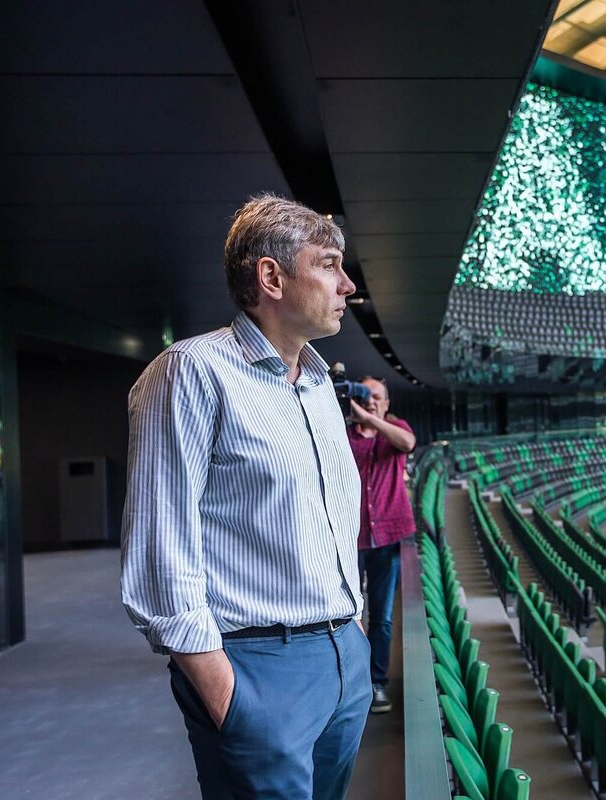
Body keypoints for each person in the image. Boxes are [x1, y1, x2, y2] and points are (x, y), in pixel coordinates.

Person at [120, 194, 370, 799]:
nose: (348, 285)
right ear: (271, 277)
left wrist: (354, 631)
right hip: (255, 667)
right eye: (329, 265)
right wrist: (225, 694)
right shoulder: (192, 371)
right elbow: (160, 546)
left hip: (344, 657)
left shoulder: (318, 384)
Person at [347, 376, 416, 713]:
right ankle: (352, 685)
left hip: (387, 539)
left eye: (376, 397)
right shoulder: (342, 434)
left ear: (387, 404)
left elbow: (407, 442)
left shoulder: (396, 429)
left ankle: (376, 683)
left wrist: (371, 421)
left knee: (383, 616)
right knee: (347, 616)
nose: (370, 401)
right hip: (350, 539)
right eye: (364, 395)